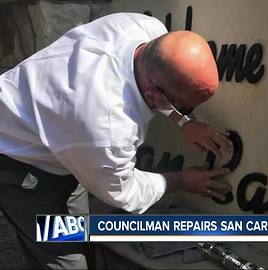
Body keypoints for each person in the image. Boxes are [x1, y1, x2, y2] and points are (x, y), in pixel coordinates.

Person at [0, 13, 232, 269]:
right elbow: (124, 193)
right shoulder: (106, 128)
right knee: (65, 259)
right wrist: (182, 180)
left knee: (81, 232)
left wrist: (184, 122)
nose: (185, 113)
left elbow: (158, 81)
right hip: (16, 158)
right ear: (154, 93)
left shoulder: (146, 29)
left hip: (60, 139)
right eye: (184, 108)